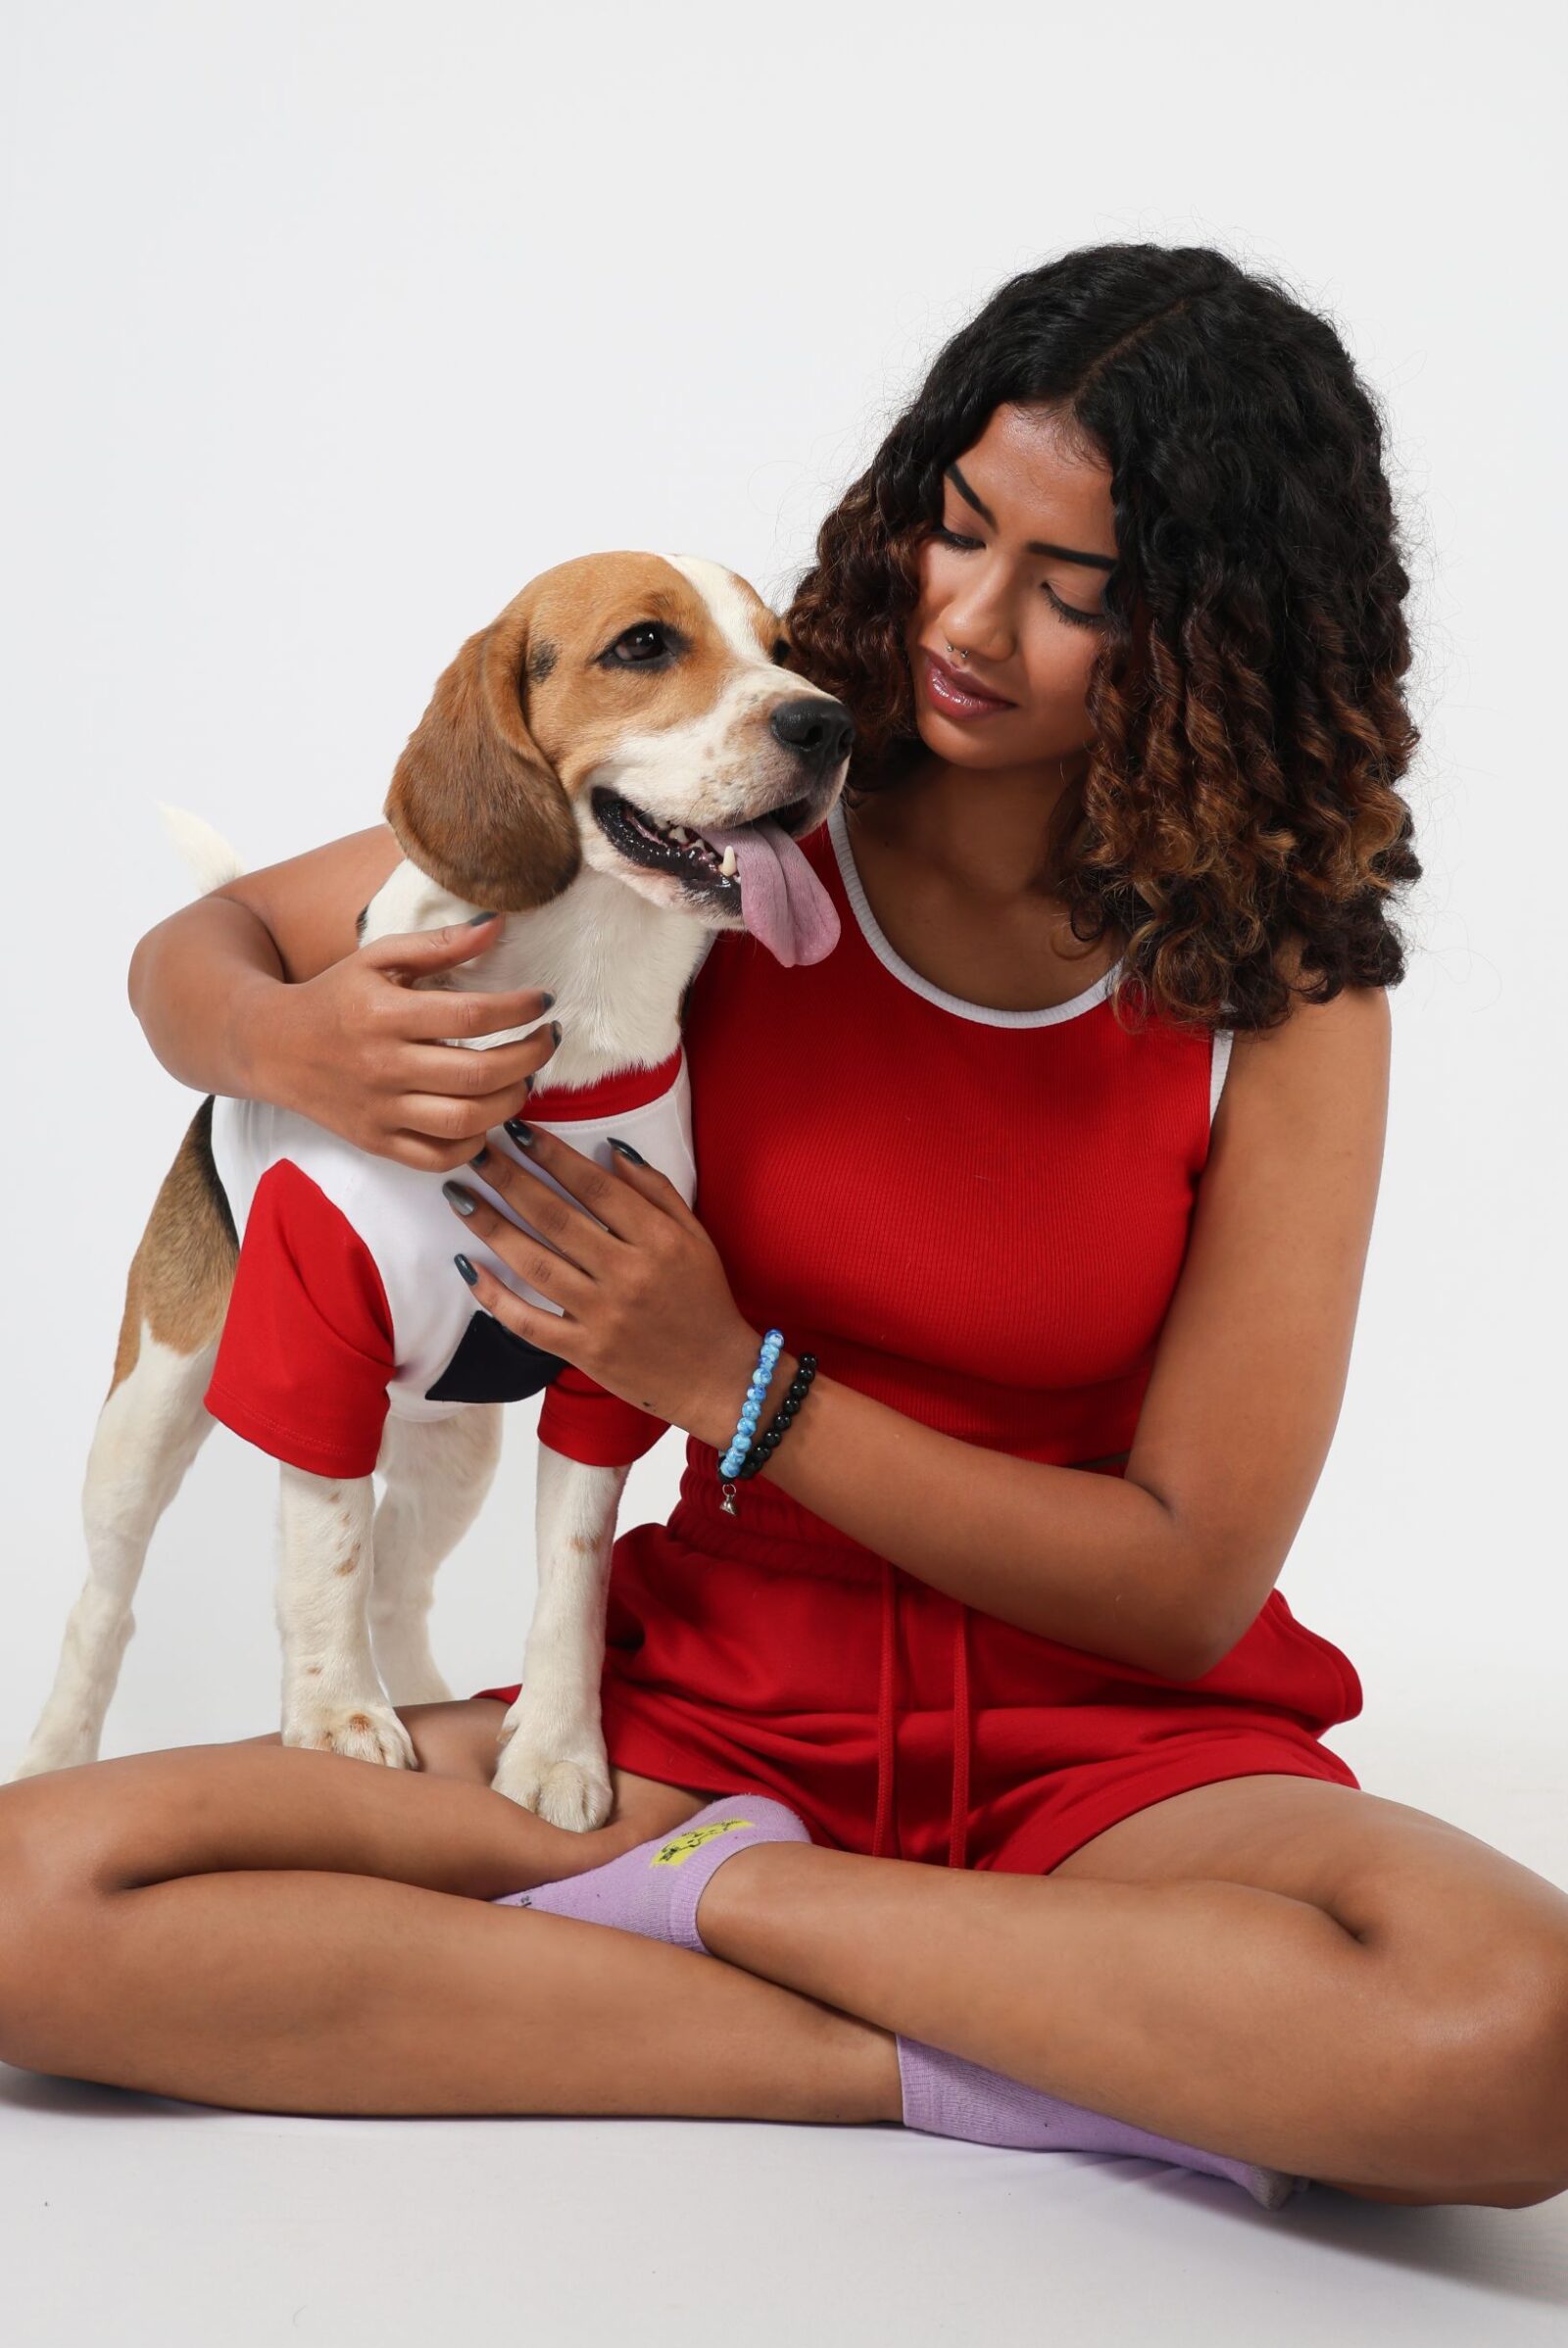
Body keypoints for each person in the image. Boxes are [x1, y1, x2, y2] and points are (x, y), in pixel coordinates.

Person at [2, 242, 1565, 2212]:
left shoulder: (1283, 988)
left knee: (1508, 2033)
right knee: (31, 1903)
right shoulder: (714, 832)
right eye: (955, 532)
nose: (969, 624)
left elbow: (1182, 1581)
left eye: (1073, 592)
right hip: (704, 1719)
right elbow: (202, 951)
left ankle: (715, 1927)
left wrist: (737, 1387)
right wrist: (286, 1041)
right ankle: (967, 2037)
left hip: (1116, 1765)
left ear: (1215, 638)